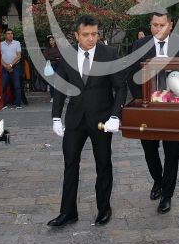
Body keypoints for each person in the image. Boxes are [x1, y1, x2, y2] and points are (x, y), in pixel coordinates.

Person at [48, 15, 126, 228]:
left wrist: (115, 116)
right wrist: (56, 117)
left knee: (103, 164)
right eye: (86, 35)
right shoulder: (67, 54)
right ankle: (68, 212)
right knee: (70, 164)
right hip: (75, 119)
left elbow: (120, 87)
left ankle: (104, 209)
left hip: (102, 119)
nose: (91, 38)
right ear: (76, 35)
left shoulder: (109, 54)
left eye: (94, 34)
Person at [128, 11, 179, 214]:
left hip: (173, 106)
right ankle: (158, 180)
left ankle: (167, 194)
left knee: (172, 151)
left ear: (171, 25)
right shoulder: (140, 45)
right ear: (150, 25)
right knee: (149, 149)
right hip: (148, 107)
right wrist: (141, 100)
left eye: (163, 25)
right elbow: (132, 74)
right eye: (155, 25)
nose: (159, 29)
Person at [0, 29, 22, 109]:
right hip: (4, 67)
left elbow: (19, 56)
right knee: (3, 86)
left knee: (17, 86)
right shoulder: (1, 44)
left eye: (11, 33)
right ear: (5, 35)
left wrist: (11, 65)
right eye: (8, 33)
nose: (10, 35)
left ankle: (18, 104)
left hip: (15, 66)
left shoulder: (17, 43)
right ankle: (4, 104)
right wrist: (6, 66)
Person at [43, 35, 60, 102]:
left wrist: (52, 57)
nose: (51, 41)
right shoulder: (47, 48)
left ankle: (59, 97)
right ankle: (53, 96)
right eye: (50, 40)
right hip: (51, 65)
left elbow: (60, 55)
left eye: (53, 40)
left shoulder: (58, 48)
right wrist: (56, 58)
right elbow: (46, 56)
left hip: (59, 65)